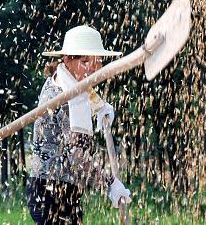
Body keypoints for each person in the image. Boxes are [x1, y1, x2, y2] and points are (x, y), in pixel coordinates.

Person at [27, 25, 132, 224]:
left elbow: (85, 91)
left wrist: (99, 106)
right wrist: (110, 183)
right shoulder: (61, 98)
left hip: (65, 189)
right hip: (49, 193)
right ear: (67, 59)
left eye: (98, 61)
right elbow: (76, 157)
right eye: (85, 62)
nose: (93, 69)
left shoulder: (64, 81)